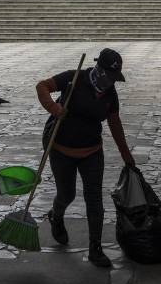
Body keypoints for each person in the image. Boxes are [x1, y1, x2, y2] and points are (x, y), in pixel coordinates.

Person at [35, 48, 135, 268]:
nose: (111, 82)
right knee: (66, 194)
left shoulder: (110, 94)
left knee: (94, 200)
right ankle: (56, 215)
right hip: (61, 149)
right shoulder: (74, 78)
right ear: (99, 70)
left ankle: (95, 249)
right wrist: (54, 108)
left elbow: (114, 123)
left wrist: (126, 155)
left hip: (92, 152)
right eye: (109, 76)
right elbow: (42, 86)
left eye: (114, 78)